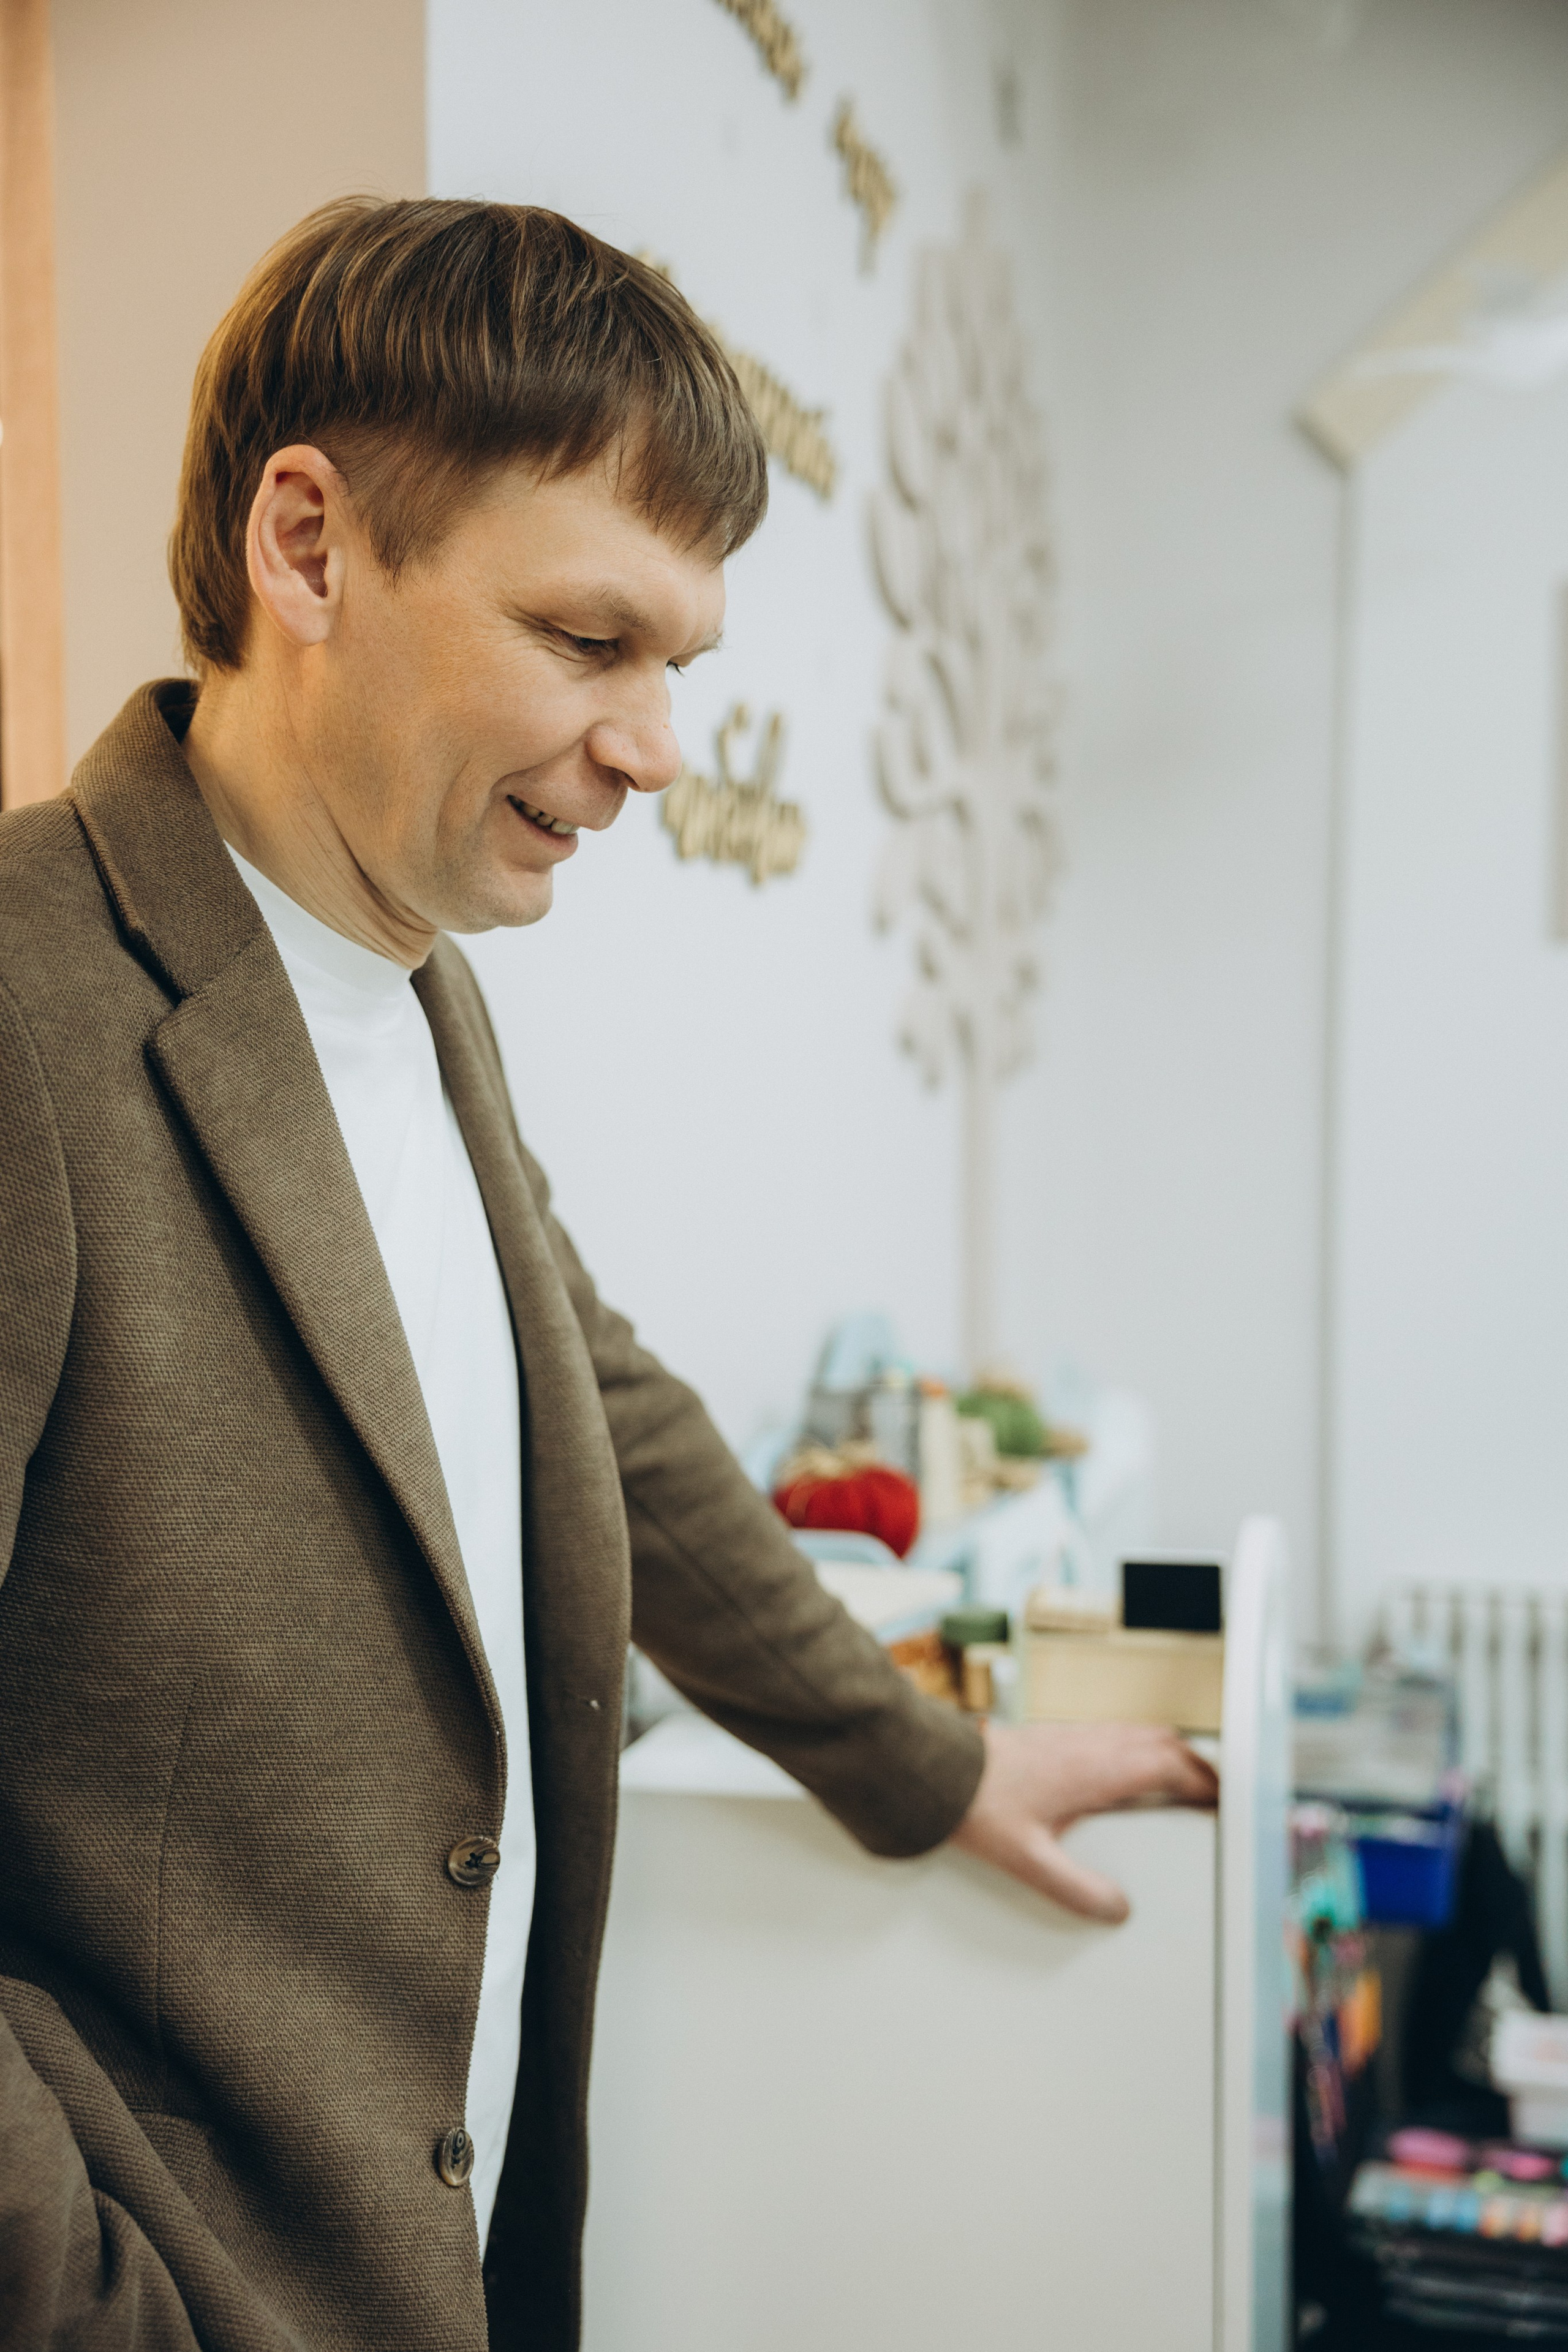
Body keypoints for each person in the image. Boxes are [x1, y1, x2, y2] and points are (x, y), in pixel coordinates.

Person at [0, 197, 1215, 2352]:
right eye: (589, 643)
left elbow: (590, 1394)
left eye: (683, 665)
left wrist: (920, 1759)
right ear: (308, 549)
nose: (661, 747)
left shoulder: (409, 972)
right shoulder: (26, 1003)